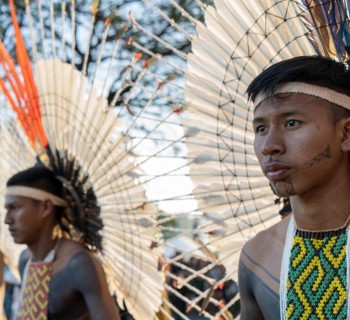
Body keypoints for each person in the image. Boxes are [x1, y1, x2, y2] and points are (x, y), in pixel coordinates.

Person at [238, 55, 350, 319]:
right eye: (261, 128)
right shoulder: (257, 257)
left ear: (346, 134)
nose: (269, 146)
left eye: (291, 123)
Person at [4, 166, 120, 320]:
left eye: (15, 208)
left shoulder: (80, 264)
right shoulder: (25, 260)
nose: (7, 220)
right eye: (7, 209)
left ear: (45, 208)